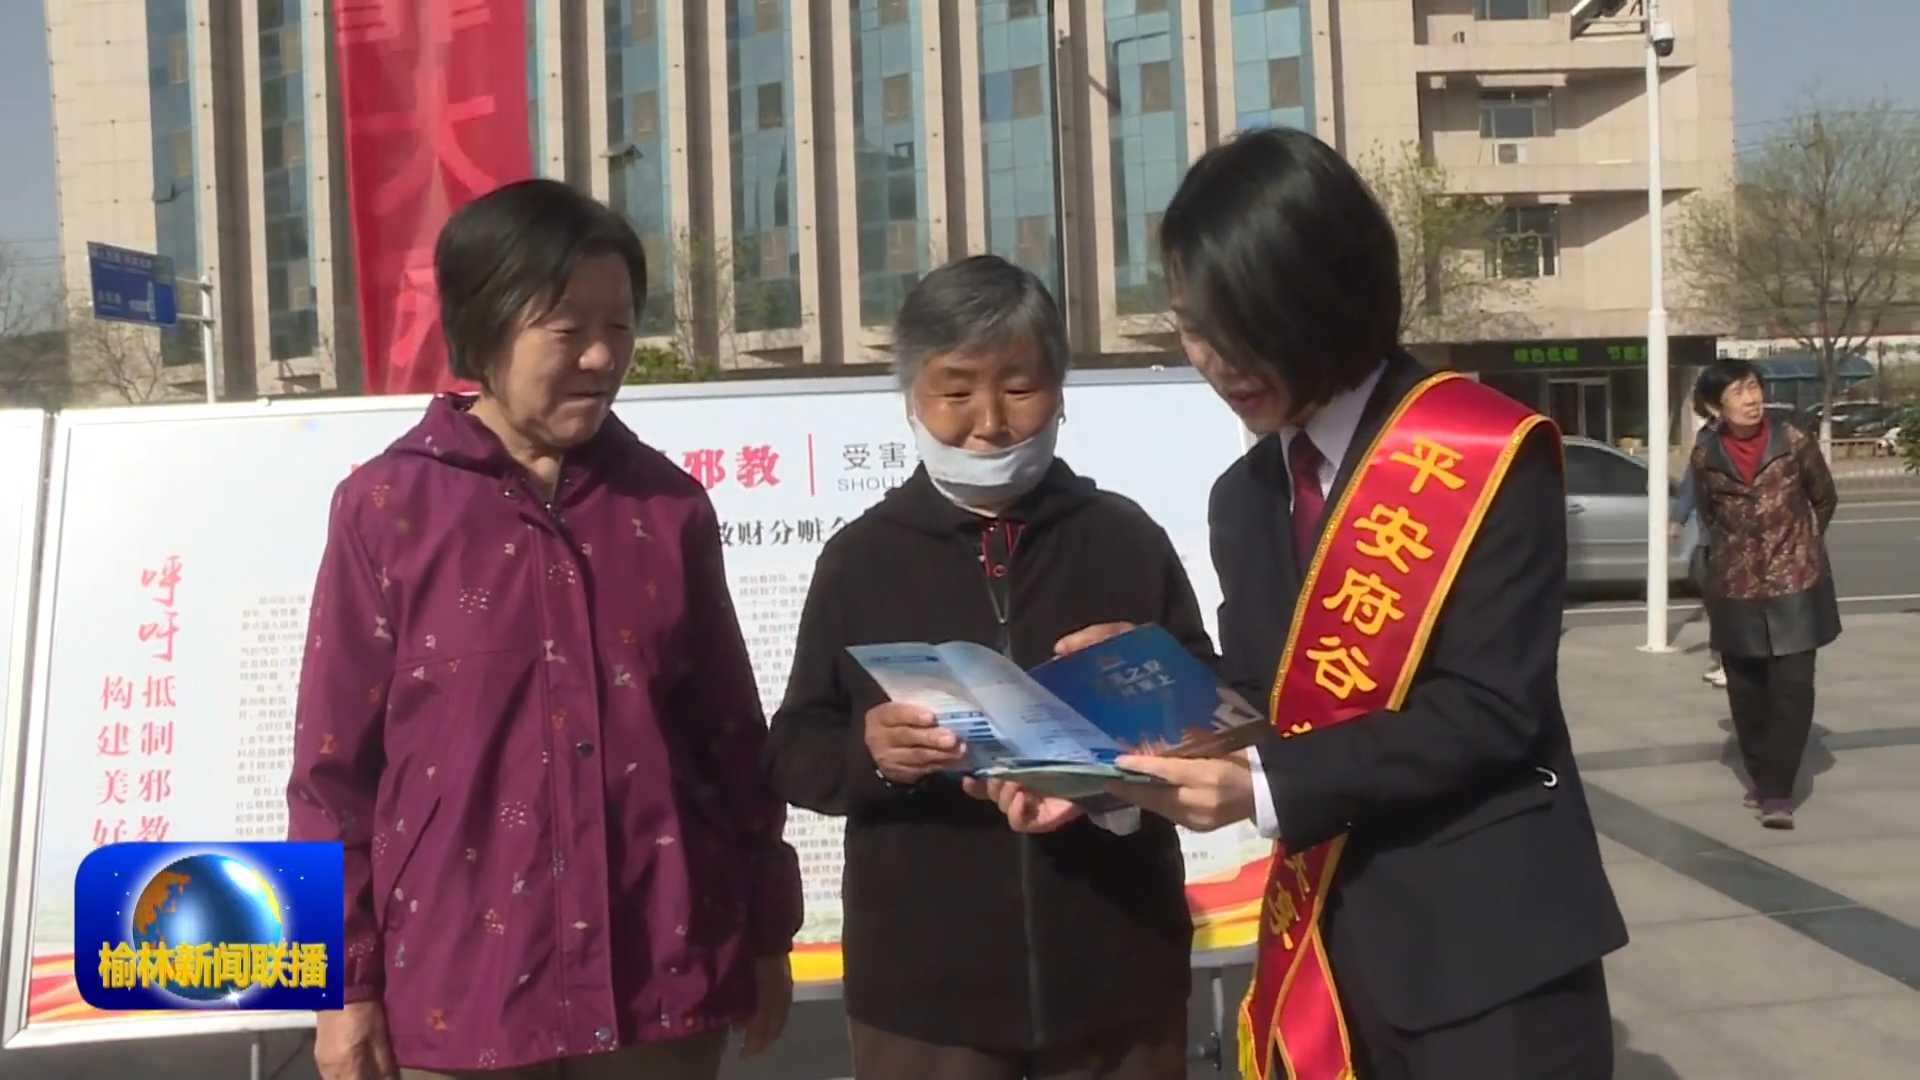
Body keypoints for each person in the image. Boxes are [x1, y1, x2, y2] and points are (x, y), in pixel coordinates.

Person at [1092, 128, 1629, 1079]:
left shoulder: (1479, 453)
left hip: (1489, 958)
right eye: (1192, 329)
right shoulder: (1244, 496)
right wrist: (1136, 691)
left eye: (1246, 326)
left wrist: (1267, 788)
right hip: (1327, 953)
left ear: (1329, 295)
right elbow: (1273, 694)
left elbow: (1489, 710)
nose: (1218, 361)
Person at [287, 178, 801, 1080]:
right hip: (462, 993)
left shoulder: (668, 508)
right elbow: (332, 777)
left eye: (621, 326)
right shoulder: (386, 507)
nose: (602, 357)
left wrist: (766, 933)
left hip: (660, 984)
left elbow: (730, 742)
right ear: (484, 328)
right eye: (567, 331)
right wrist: (341, 986)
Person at [761, 255, 1213, 1080]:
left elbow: (1216, 709)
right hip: (926, 997)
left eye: (1020, 386)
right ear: (912, 396)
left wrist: (1147, 681)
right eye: (957, 390)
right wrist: (874, 755)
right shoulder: (860, 559)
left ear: (1060, 390)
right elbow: (794, 749)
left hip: (1119, 972)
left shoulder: (1123, 538)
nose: (990, 422)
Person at [1688, 359, 1840, 829]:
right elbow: (1708, 513)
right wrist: (1737, 555)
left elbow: (1824, 497)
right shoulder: (1705, 454)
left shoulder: (1794, 440)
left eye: (1753, 388)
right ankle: (1760, 773)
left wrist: (1799, 545)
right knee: (1747, 693)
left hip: (1796, 582)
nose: (1751, 399)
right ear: (1717, 406)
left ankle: (1777, 792)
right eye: (1738, 392)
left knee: (1793, 689)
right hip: (1736, 587)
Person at [1671, 386, 1726, 688]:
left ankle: (1731, 662)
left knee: (1732, 599)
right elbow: (1692, 479)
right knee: (1715, 597)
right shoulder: (1707, 435)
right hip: (1710, 532)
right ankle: (1724, 659)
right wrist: (1678, 518)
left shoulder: (1737, 435)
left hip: (1737, 532)